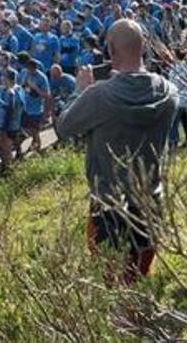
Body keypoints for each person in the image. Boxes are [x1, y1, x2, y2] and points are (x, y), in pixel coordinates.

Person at [54, 19, 178, 283]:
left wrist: (80, 91)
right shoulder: (169, 93)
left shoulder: (99, 96)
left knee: (110, 281)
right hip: (150, 200)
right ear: (144, 46)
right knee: (140, 276)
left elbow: (64, 127)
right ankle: (139, 320)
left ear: (110, 50)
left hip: (109, 205)